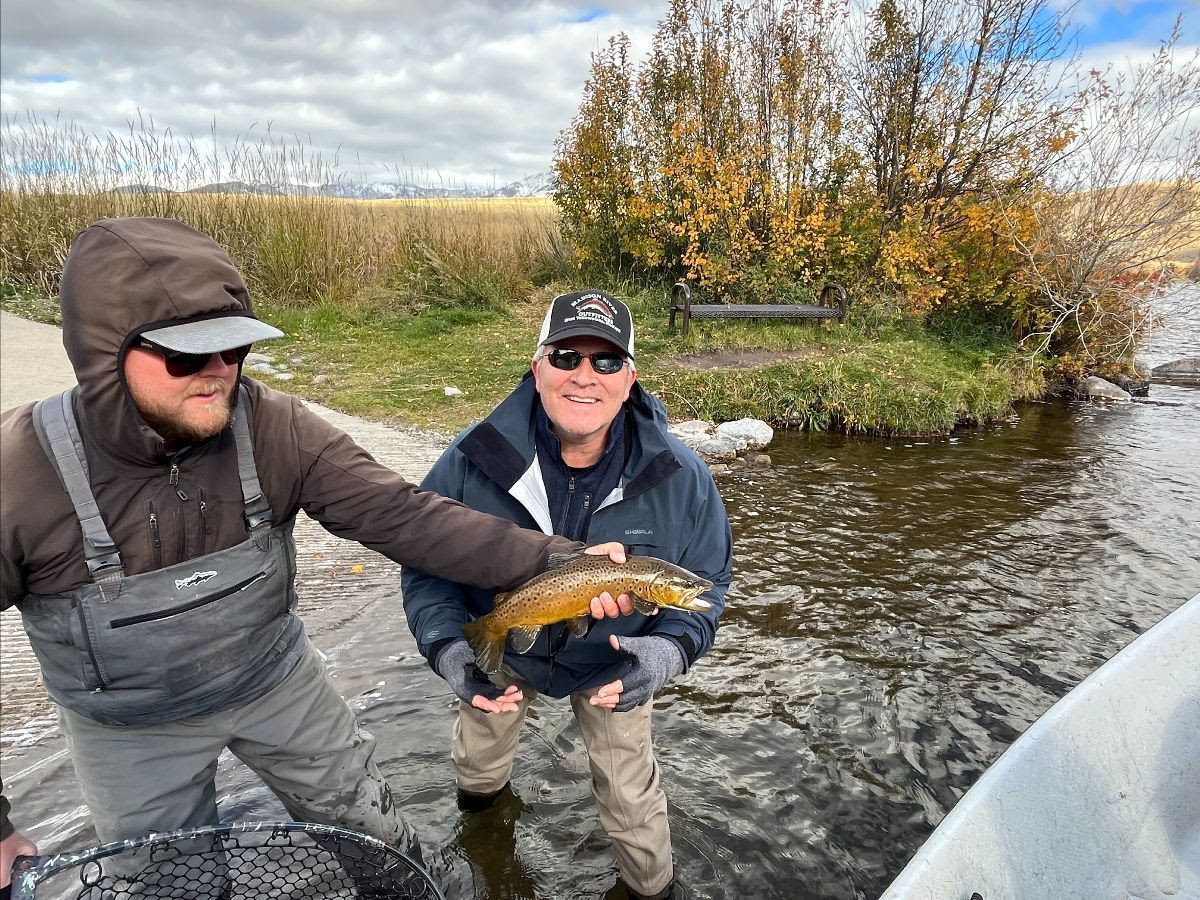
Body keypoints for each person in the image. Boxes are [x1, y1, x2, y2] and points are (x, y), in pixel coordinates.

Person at [0, 217, 630, 888]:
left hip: (277, 683)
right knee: (170, 882)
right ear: (102, 355)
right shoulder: (20, 477)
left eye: (232, 350)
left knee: (381, 839)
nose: (218, 375)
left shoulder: (275, 428)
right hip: (125, 728)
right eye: (187, 356)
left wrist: (560, 562)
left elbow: (407, 517)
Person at [402, 289, 733, 899]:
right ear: (537, 367)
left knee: (633, 807)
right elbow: (423, 564)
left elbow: (708, 588)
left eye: (606, 362)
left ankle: (647, 890)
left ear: (629, 379)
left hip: (614, 661)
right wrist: (448, 647)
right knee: (478, 767)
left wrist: (667, 653)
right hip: (500, 641)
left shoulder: (682, 478)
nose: (586, 377)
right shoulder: (474, 459)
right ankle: (482, 829)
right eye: (567, 357)